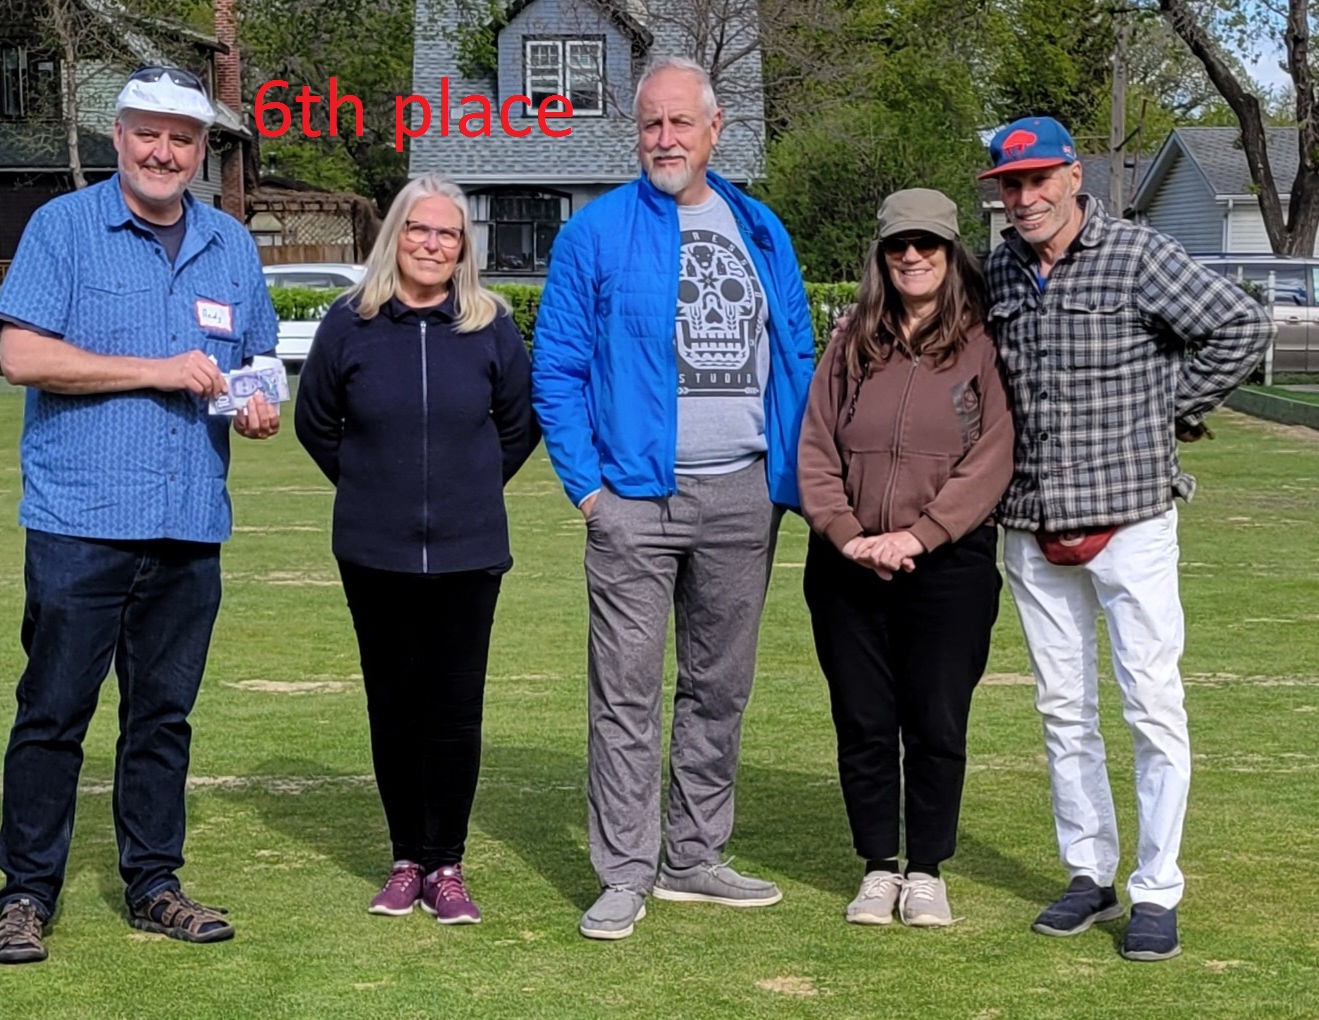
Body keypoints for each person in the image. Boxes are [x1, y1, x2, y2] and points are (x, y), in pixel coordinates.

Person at [0, 67, 281, 965]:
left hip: (189, 522)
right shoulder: (63, 228)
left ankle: (154, 885)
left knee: (162, 718)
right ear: (117, 136)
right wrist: (158, 369)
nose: (162, 152)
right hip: (80, 520)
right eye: (147, 133)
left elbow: (257, 363)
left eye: (181, 138)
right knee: (53, 714)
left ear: (201, 150)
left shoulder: (230, 245)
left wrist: (256, 407)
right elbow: (21, 355)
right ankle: (26, 896)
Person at [532, 56, 816, 941]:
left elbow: (796, 354)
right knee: (624, 695)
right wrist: (590, 493)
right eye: (650, 123)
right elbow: (557, 369)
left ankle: (693, 856)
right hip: (633, 502)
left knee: (718, 688)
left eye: (679, 123)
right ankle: (624, 872)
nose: (663, 139)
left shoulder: (759, 228)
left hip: (743, 495)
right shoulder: (596, 233)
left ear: (713, 129)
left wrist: (787, 479)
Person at [981, 117, 1273, 961]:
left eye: (1038, 179)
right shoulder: (996, 269)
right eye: (1010, 184)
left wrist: (1169, 409)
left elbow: (1240, 327)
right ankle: (1088, 872)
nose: (1024, 198)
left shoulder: (1139, 253)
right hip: (1030, 520)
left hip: (1131, 516)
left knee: (1151, 703)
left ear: (1074, 176)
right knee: (1061, 708)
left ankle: (1156, 887)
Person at [294, 173, 536, 925]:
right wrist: (377, 487)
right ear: (395, 236)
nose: (432, 244)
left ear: (463, 248)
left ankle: (448, 865)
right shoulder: (349, 323)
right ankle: (406, 859)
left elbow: (518, 426)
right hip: (375, 551)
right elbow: (316, 422)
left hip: (469, 552)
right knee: (395, 707)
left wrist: (465, 489)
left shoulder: (491, 325)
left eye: (448, 233)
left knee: (456, 711)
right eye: (419, 229)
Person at [798, 189, 1013, 927]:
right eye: (898, 245)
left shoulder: (983, 343)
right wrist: (844, 531)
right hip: (847, 564)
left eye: (927, 245)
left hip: (947, 566)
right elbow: (816, 443)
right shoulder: (850, 341)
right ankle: (877, 868)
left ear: (951, 253)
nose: (912, 257)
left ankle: (926, 870)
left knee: (935, 722)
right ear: (880, 255)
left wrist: (919, 535)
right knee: (862, 721)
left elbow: (992, 457)